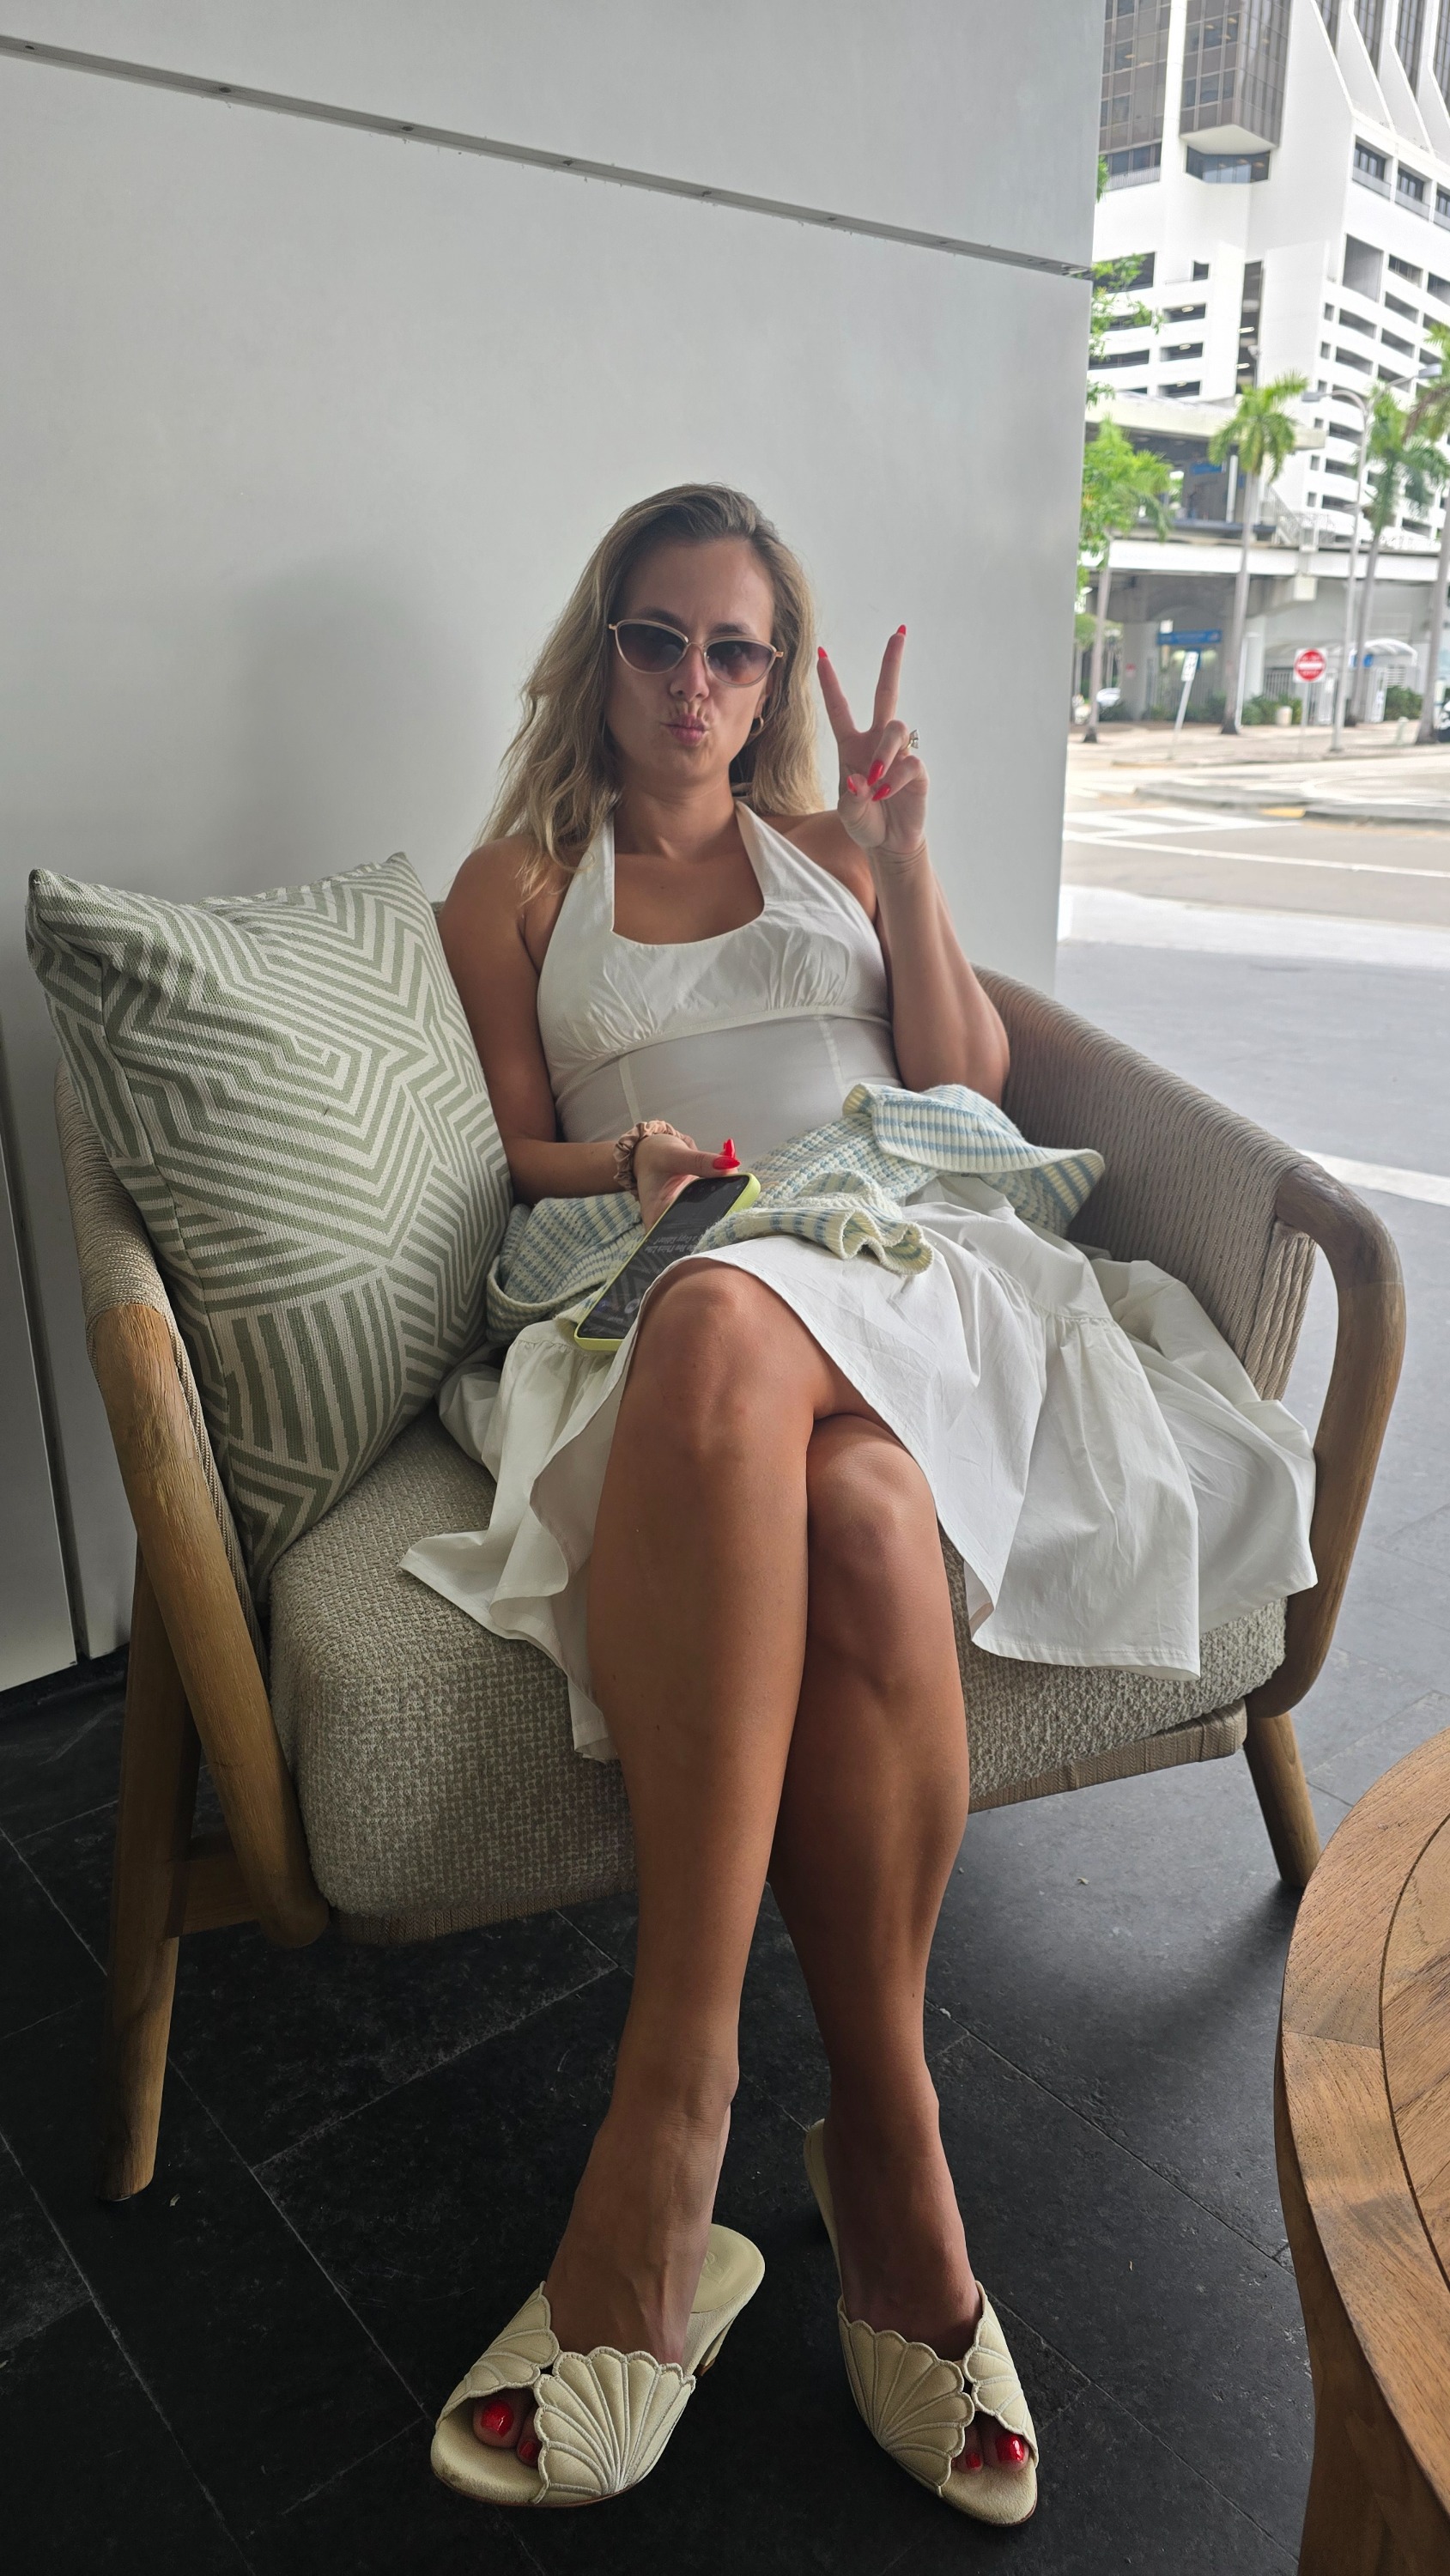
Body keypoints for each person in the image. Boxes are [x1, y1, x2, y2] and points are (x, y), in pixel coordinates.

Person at [416, 483, 1315, 2523]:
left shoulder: (830, 850)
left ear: (773, 678)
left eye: (733, 650)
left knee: (748, 1347)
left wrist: (904, 862)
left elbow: (966, 1073)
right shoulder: (517, 886)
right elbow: (509, 1153)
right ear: (601, 650)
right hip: (679, 1267)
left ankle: (677, 2120)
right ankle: (890, 2165)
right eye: (659, 639)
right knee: (840, 1501)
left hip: (909, 1258)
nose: (694, 684)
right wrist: (632, 1161)